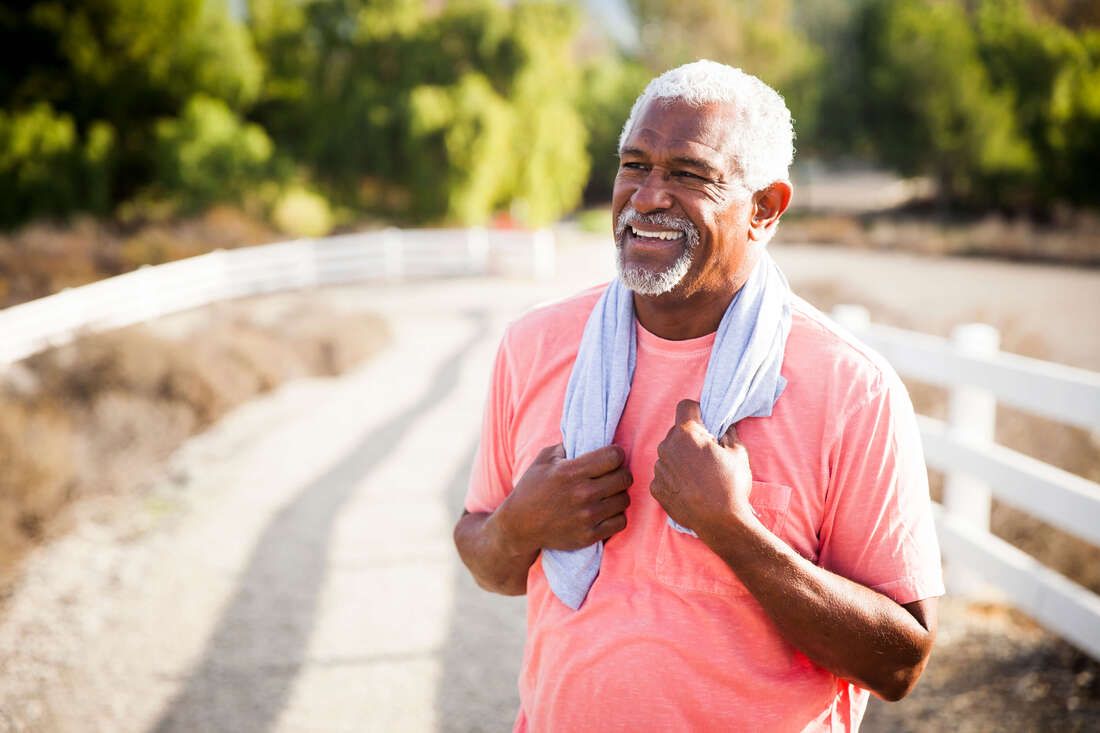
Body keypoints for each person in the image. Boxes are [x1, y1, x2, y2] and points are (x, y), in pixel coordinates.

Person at [453, 60, 944, 731]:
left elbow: (899, 663)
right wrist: (520, 524)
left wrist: (732, 529)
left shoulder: (850, 386)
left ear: (765, 209)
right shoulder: (535, 345)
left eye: (688, 174)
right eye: (635, 165)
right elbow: (491, 560)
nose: (647, 196)